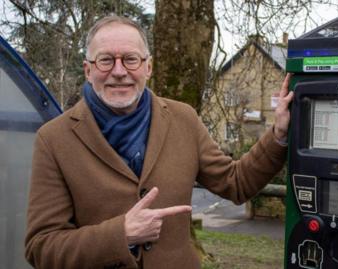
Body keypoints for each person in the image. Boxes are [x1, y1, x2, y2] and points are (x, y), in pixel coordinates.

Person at [24, 15, 293, 269]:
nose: (119, 71)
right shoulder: (54, 139)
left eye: (131, 59)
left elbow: (236, 183)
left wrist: (278, 134)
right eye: (105, 60)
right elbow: (41, 247)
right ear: (87, 69)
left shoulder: (182, 118)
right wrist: (121, 234)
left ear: (148, 67)